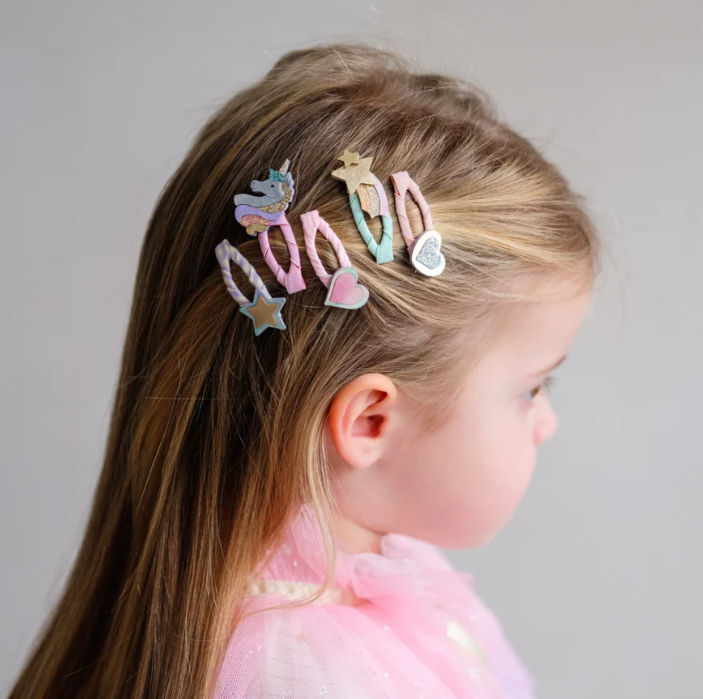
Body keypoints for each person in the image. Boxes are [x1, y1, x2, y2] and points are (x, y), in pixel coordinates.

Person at [8, 43, 601, 699]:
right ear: (370, 420)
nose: (547, 422)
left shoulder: (382, 591)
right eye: (532, 388)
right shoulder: (306, 677)